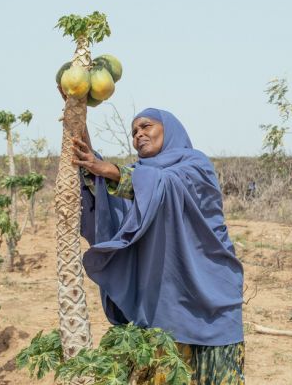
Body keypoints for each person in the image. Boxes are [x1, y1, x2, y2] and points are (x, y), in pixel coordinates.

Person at [73, 108, 245, 384]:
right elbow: (112, 191)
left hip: (213, 297)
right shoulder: (140, 173)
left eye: (146, 126)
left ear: (170, 129)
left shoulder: (195, 165)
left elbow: (164, 186)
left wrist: (113, 172)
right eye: (134, 132)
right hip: (166, 306)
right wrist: (76, 111)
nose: (139, 134)